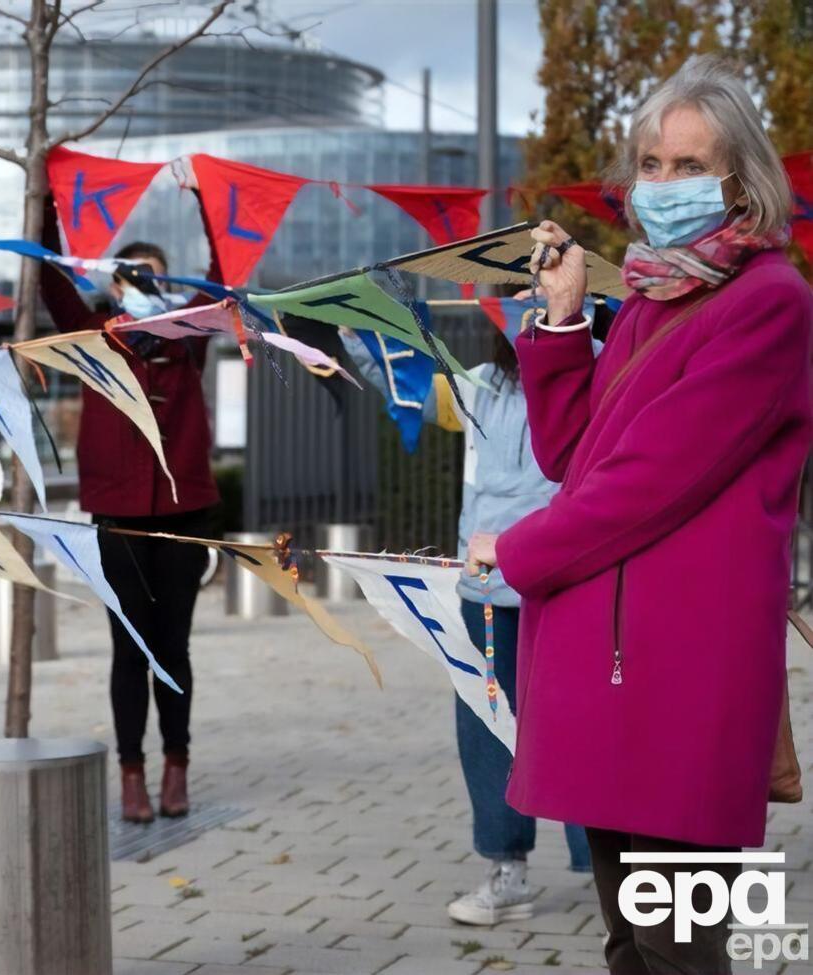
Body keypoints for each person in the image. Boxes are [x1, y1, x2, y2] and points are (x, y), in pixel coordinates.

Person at [465, 55, 811, 973]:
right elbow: (577, 459)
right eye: (650, 166)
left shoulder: (768, 302)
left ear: (743, 177)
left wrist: (518, 546)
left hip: (681, 675)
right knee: (629, 937)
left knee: (683, 947)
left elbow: (652, 478)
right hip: (608, 664)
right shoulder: (662, 296)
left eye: (689, 166)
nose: (661, 186)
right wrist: (563, 324)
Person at [344, 325, 593, 925]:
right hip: (483, 587)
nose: (532, 310)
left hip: (566, 585)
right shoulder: (480, 385)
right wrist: (350, 329)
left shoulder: (600, 373)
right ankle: (506, 866)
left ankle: (611, 869)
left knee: (581, 724)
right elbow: (405, 387)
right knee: (486, 726)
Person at [40, 197, 222, 823]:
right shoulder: (94, 335)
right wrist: (45, 204)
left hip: (184, 510)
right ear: (115, 284)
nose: (147, 286)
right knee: (129, 647)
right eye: (135, 276)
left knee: (174, 647)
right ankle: (132, 774)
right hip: (118, 513)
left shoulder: (190, 333)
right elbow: (49, 278)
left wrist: (209, 206)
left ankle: (176, 767)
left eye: (157, 277)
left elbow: (222, 280)